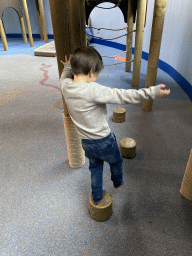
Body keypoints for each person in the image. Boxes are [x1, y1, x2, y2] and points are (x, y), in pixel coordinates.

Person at [60, 46, 170, 205]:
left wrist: (67, 66)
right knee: (116, 161)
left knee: (95, 168)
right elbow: (125, 95)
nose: (96, 77)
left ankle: (97, 196)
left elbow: (64, 76)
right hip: (104, 141)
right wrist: (153, 92)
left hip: (86, 143)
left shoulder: (66, 85)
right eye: (96, 74)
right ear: (91, 72)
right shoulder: (93, 89)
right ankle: (117, 181)